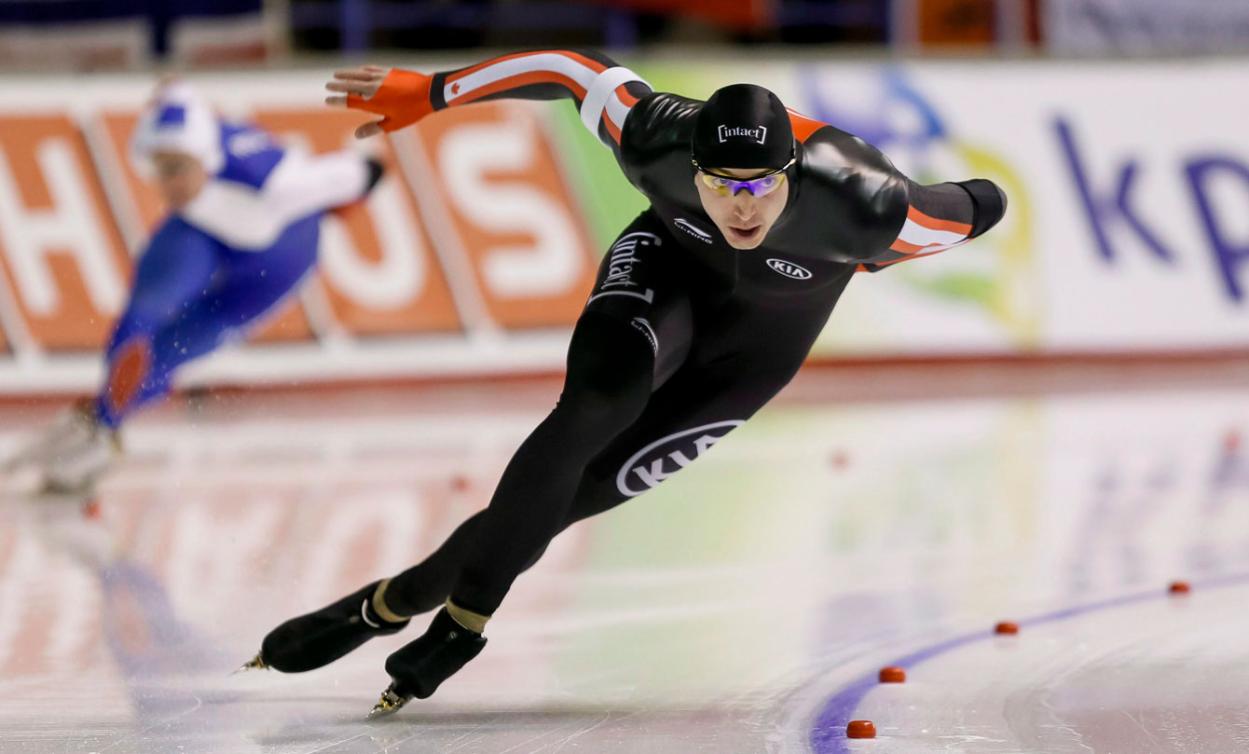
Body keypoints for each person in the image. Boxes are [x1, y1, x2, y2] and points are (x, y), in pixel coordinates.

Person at [246, 51, 1007, 716]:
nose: (741, 207)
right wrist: (437, 91)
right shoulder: (655, 136)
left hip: (754, 353)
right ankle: (462, 624)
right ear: (691, 166)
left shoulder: (867, 204)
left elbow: (982, 203)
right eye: (719, 184)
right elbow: (569, 71)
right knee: (592, 407)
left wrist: (877, 251)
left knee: (581, 495)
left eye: (760, 188)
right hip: (667, 272)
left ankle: (391, 603)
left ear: (794, 174)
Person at [2, 81, 384, 493]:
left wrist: (358, 185)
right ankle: (101, 426)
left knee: (175, 349)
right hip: (202, 231)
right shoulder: (180, 151)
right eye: (160, 169)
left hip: (280, 255)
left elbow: (367, 171)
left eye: (180, 168)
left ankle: (99, 427)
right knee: (141, 318)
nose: (169, 184)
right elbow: (178, 94)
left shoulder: (280, 184)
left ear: (207, 158)